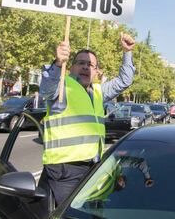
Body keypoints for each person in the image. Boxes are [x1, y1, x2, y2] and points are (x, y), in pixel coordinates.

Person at [39, 32, 136, 206]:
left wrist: (127, 52)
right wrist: (57, 62)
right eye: (80, 63)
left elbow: (125, 80)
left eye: (91, 65)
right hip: (65, 170)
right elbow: (46, 89)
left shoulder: (99, 91)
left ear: (97, 72)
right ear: (70, 68)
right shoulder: (61, 86)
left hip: (92, 168)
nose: (85, 67)